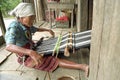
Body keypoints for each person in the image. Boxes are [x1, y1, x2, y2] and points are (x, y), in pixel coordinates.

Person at [5, 2, 89, 77]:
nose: (32, 21)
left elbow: (36, 29)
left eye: (33, 18)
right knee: (52, 60)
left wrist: (48, 30)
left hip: (33, 47)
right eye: (30, 18)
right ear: (21, 17)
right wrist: (30, 52)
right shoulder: (14, 27)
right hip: (25, 56)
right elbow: (9, 46)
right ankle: (82, 66)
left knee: (54, 46)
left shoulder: (26, 25)